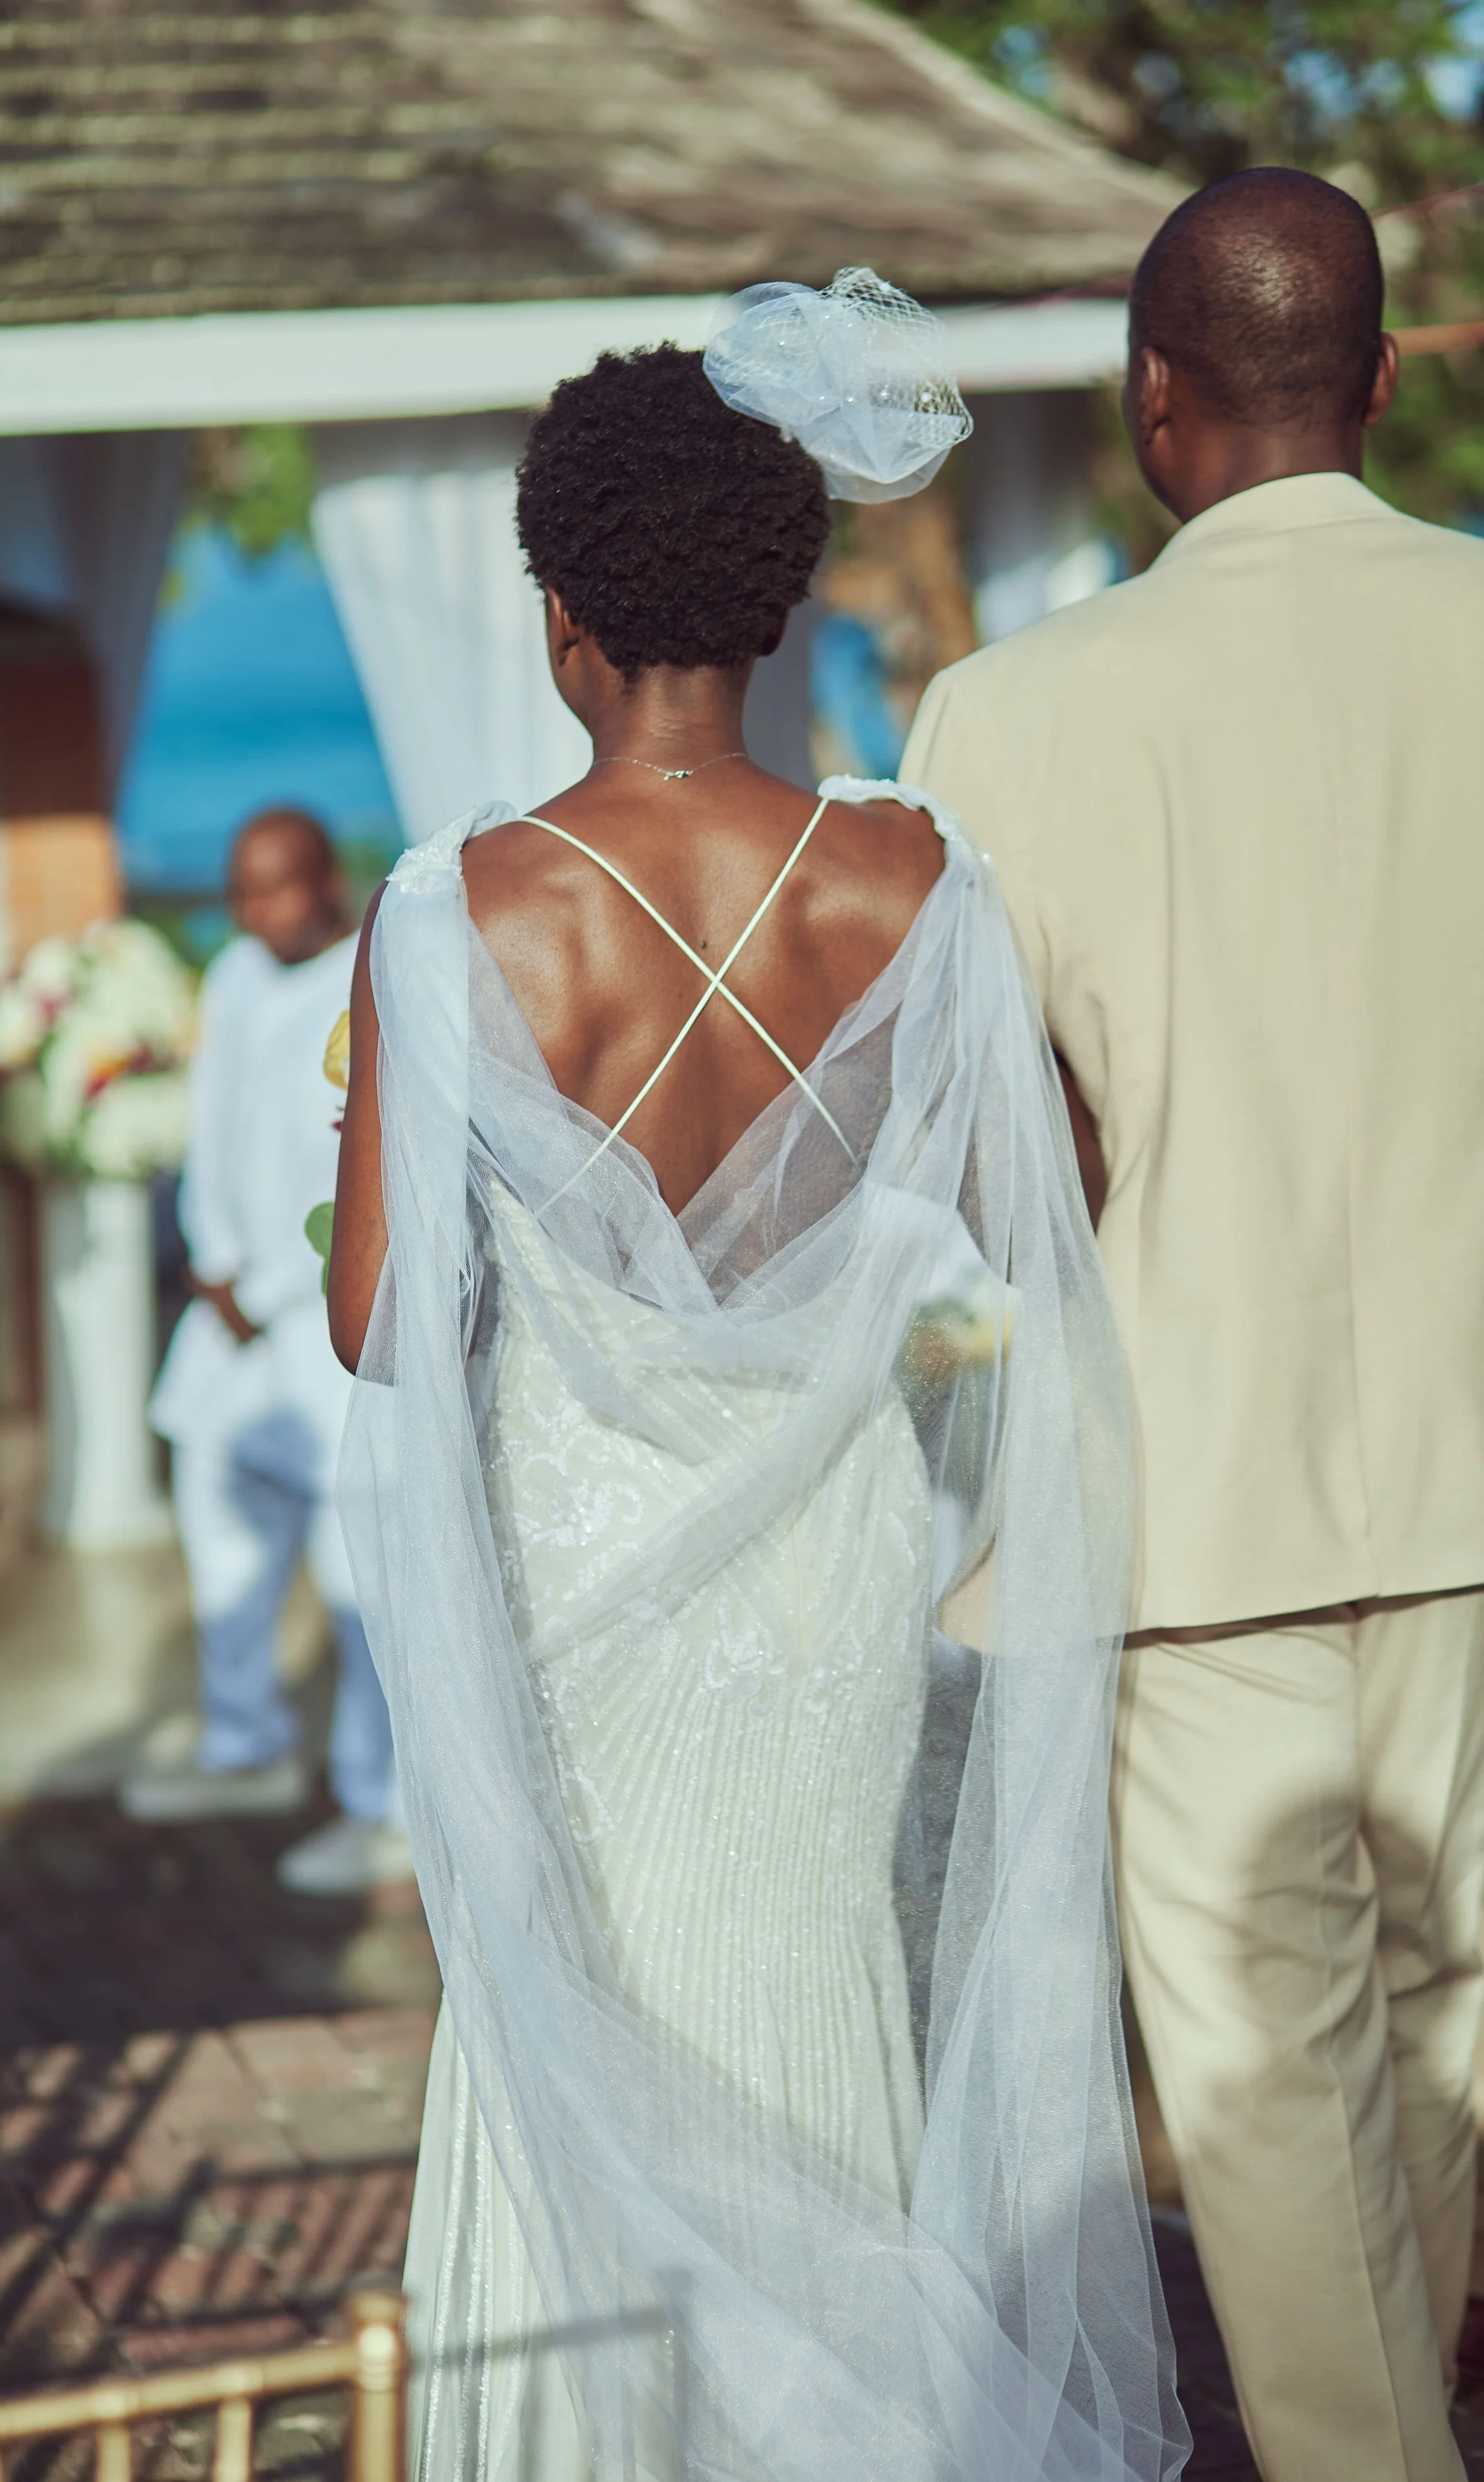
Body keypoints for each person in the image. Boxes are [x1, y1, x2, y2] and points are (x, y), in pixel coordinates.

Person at [330, 293, 1187, 2482]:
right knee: (816, 2024)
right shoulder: (918, 883)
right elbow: (1041, 1213)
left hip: (579, 1594)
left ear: (562, 618)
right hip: (826, 1584)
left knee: (585, 2037)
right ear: (778, 596)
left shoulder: (456, 918)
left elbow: (370, 1320)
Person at [902, 168, 1484, 2482]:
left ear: (1157, 407)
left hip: (1196, 1491)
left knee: (1267, 2090)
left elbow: (987, 1162)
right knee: (1453, 2032)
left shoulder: (1012, 710)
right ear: (1370, 384)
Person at [123, 807, 408, 1898]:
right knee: (220, 1520)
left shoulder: (370, 983)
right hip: (224, 1304)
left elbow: (357, 1179)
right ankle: (244, 1743)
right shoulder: (239, 976)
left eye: (276, 889)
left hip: (314, 1317)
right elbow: (212, 1124)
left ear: (326, 882)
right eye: (240, 892)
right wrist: (208, 1257)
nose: (254, 913)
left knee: (354, 1577)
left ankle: (383, 1805)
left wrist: (273, 1283)